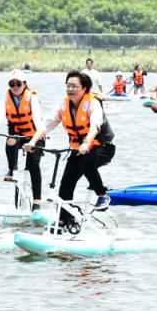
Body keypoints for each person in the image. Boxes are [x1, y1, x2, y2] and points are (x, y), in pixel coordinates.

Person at [24, 70, 115, 229]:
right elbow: (47, 124)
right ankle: (62, 221)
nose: (70, 89)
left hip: (103, 147)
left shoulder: (93, 103)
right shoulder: (63, 104)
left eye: (75, 86)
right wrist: (32, 141)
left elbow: (94, 125)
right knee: (66, 184)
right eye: (68, 85)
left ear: (85, 88)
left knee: (86, 164)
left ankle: (102, 195)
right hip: (77, 150)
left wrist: (86, 142)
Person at [0, 70, 44, 209]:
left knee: (33, 167)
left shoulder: (32, 98)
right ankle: (12, 169)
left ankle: (36, 203)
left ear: (24, 84)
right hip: (17, 136)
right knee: (10, 141)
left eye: (18, 83)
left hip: (34, 136)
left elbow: (38, 121)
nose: (15, 87)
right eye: (12, 84)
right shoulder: (5, 99)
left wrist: (34, 140)